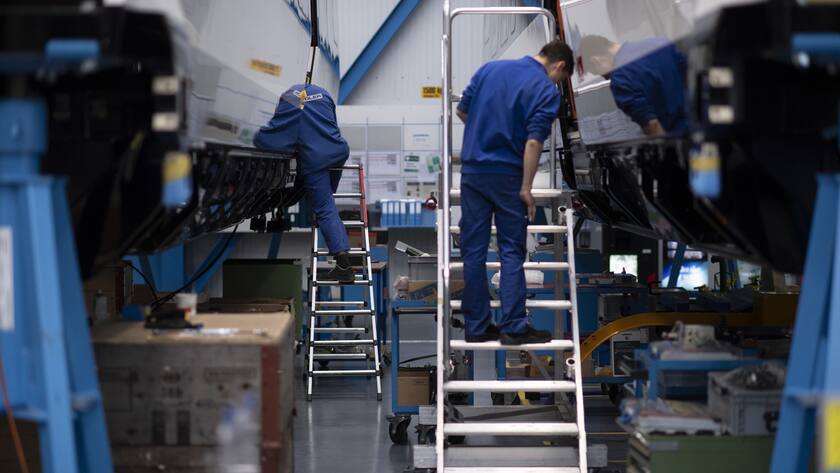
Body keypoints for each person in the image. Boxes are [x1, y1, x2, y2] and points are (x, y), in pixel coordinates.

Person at [456, 39, 573, 345]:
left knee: (473, 251)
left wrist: (484, 137)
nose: (557, 83)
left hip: (473, 173)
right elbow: (534, 143)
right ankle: (514, 327)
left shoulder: (489, 69)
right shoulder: (546, 91)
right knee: (510, 251)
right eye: (562, 78)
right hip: (508, 176)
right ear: (559, 66)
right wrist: (526, 188)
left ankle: (477, 326)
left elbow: (463, 112)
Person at [254, 83, 354, 282]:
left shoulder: (291, 99)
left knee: (324, 207)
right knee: (327, 203)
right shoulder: (323, 95)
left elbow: (268, 138)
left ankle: (344, 264)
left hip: (315, 159)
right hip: (338, 151)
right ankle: (332, 228)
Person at [577, 35, 688, 136]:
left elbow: (653, 126)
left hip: (681, 137)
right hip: (700, 122)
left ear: (595, 61)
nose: (605, 78)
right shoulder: (659, 42)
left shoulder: (620, 79)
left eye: (597, 73)